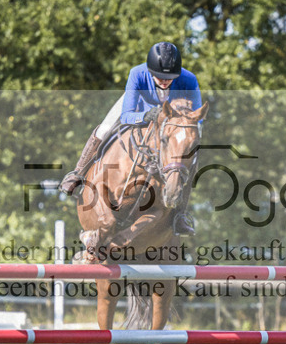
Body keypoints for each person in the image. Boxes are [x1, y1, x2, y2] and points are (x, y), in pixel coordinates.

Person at [60, 41, 202, 235]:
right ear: (150, 70)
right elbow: (127, 114)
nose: (164, 81)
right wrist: (145, 116)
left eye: (169, 77)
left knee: (191, 153)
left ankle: (179, 214)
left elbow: (197, 118)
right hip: (139, 111)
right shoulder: (138, 73)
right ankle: (77, 173)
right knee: (105, 127)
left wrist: (186, 136)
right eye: (159, 76)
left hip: (173, 124)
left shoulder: (189, 80)